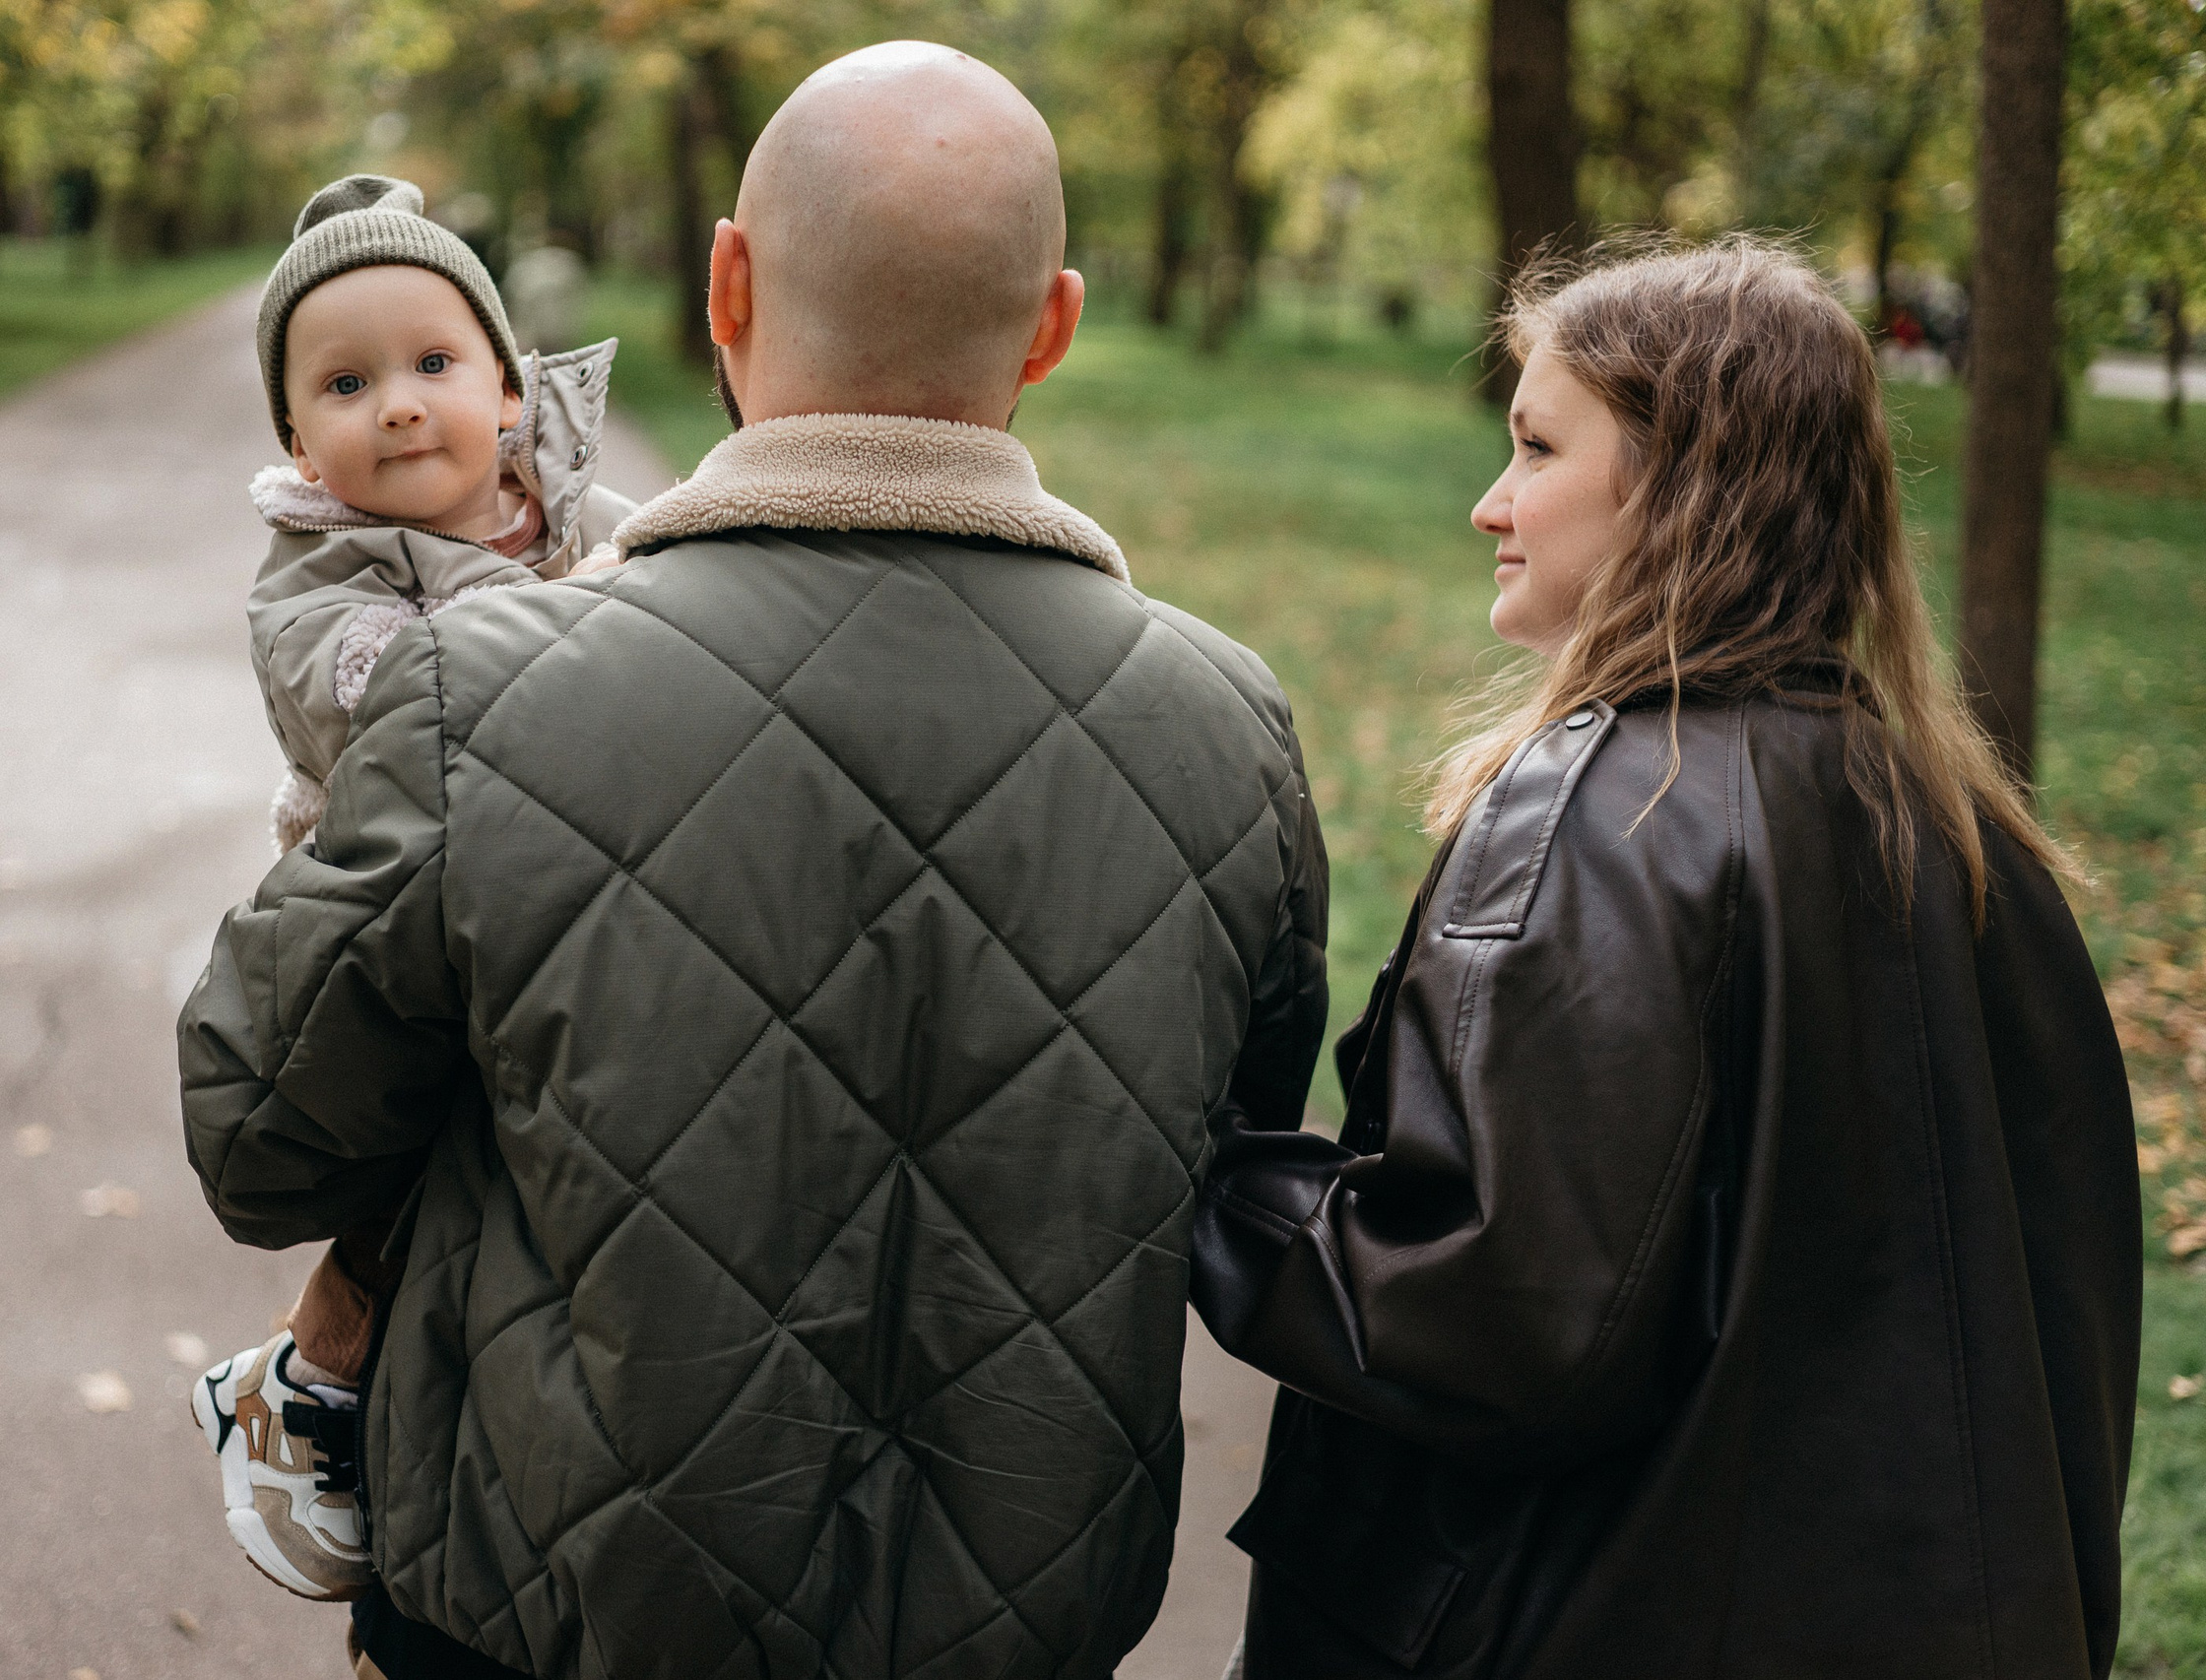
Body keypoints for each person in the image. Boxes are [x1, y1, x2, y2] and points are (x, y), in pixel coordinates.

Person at [177, 42, 1329, 1680]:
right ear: (1054, 325)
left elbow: (259, 1137)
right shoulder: (1233, 733)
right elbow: (1233, 1164)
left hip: (545, 1625)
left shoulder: (482, 692)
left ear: (726, 284)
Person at [1192, 238, 2141, 1678]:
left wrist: (1211, 1182)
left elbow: (1488, 1312)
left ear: (1682, 478)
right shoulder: (1970, 839)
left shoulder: (1601, 808)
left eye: (1536, 445)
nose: (1489, 501)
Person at [185, 172, 638, 1605]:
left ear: (506, 390)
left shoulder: (573, 508)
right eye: (346, 381)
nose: (397, 403)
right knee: (428, 1138)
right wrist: (595, 603)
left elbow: (687, 585)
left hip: (542, 877)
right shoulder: (312, 581)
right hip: (392, 903)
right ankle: (312, 1377)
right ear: (297, 439)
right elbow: (403, 702)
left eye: (434, 364)